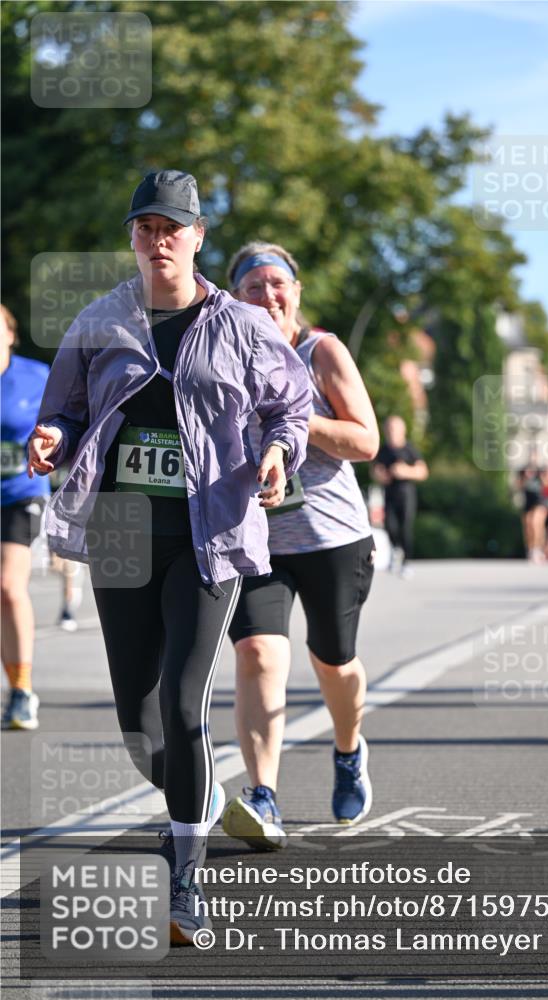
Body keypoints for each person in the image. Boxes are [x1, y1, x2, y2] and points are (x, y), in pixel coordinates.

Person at [26, 172, 311, 944]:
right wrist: (52, 435)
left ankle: (186, 881)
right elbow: (64, 409)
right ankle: (197, 798)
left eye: (172, 228)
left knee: (185, 707)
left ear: (197, 237)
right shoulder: (99, 321)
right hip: (121, 531)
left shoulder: (241, 325)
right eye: (145, 228)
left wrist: (278, 451)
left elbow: (290, 404)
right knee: (137, 722)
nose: (158, 241)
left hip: (206, 530)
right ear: (132, 237)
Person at [222, 241, 379, 850]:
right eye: (253, 287)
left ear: (296, 292)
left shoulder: (322, 352)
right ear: (235, 299)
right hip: (256, 539)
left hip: (331, 537)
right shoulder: (223, 360)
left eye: (277, 284)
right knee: (258, 654)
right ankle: (263, 794)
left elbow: (365, 441)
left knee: (332, 661)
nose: (267, 295)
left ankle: (348, 750)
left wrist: (294, 417)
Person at [1, 305, 50, 730]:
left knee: (7, 585)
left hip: (21, 493)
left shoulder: (36, 376)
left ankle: (21, 691)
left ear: (10, 334)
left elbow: (63, 420)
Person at [372, 415, 428, 577]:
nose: (391, 432)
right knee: (390, 525)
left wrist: (406, 471)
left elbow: (423, 471)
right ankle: (395, 551)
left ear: (402, 430)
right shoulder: (383, 450)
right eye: (389, 429)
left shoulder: (409, 449)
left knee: (405, 527)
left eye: (394, 429)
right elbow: (375, 470)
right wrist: (379, 475)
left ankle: (406, 562)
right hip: (389, 493)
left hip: (406, 494)